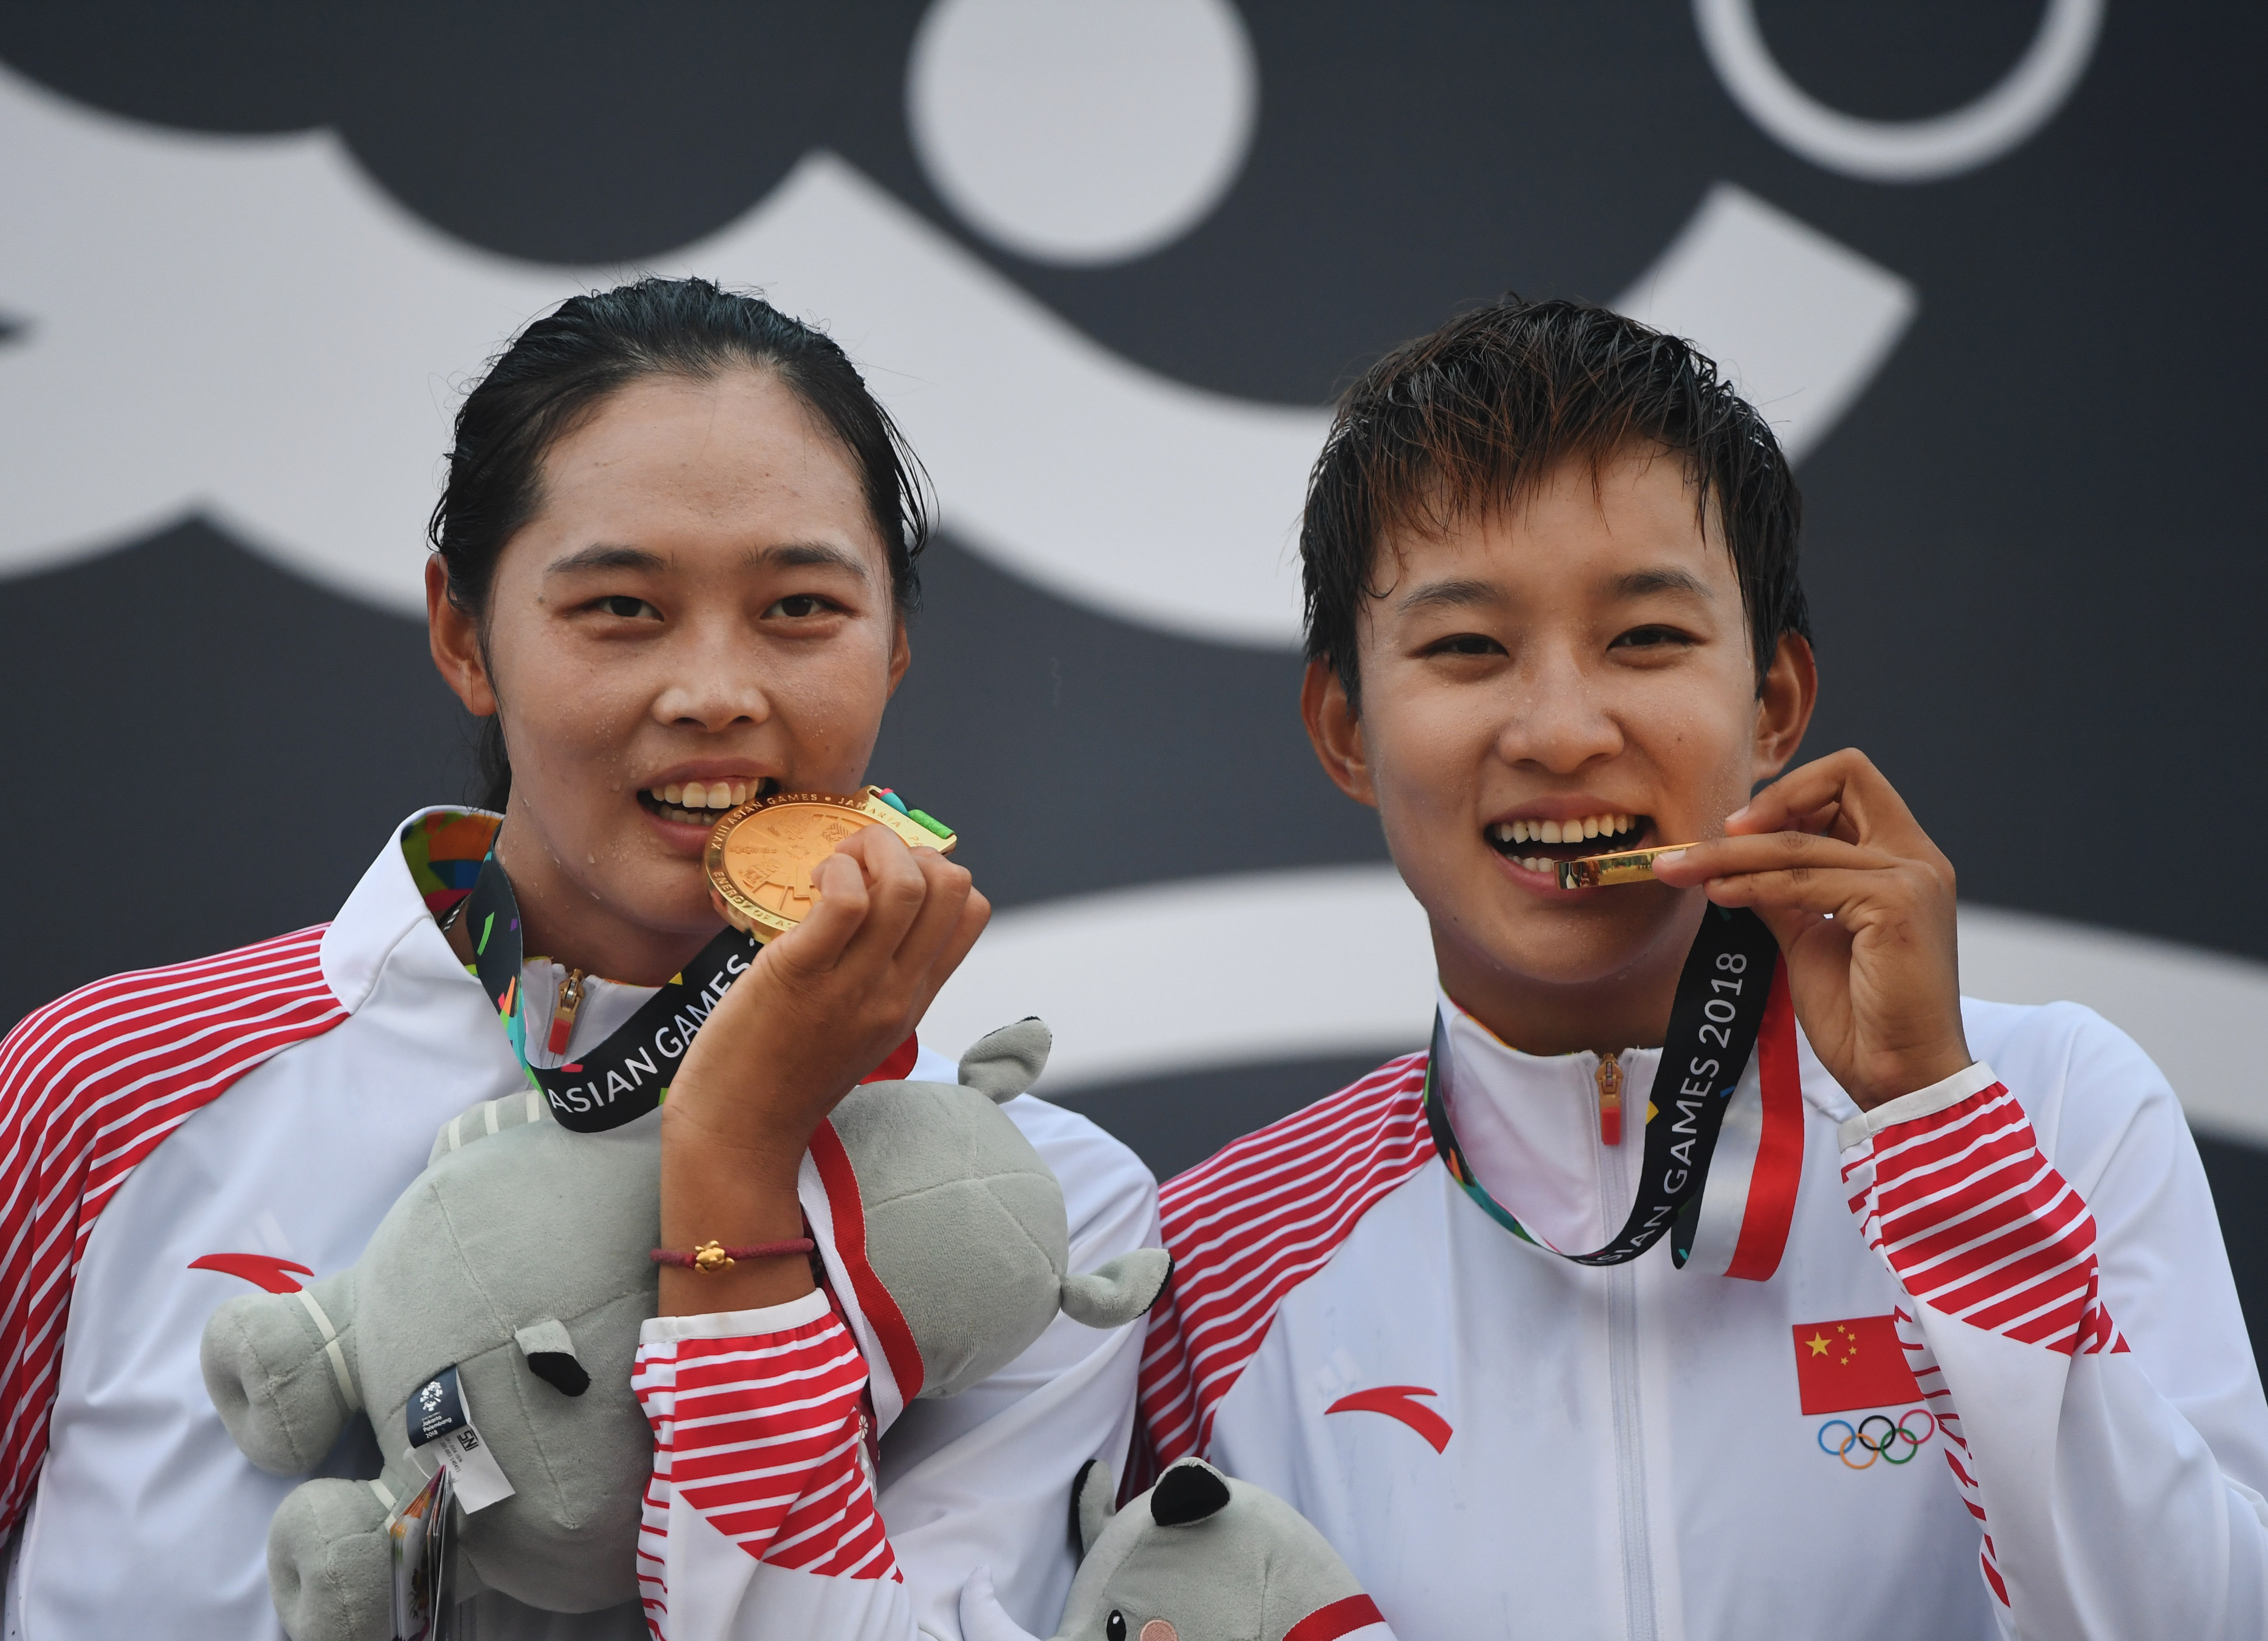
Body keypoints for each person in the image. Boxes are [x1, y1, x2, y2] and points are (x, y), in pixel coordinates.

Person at [0, 277, 1159, 1641]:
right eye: (620, 608)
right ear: (462, 635)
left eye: (800, 608)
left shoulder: (1039, 1216)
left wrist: (732, 1155)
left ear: (895, 641)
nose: (715, 689)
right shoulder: (112, 1088)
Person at [1134, 298, 2268, 1639]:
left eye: (1646, 640)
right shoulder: (1214, 1259)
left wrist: (1930, 1124)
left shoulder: (2050, 1107)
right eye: (1465, 649)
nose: (1560, 730)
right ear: (1344, 729)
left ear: (1773, 704)